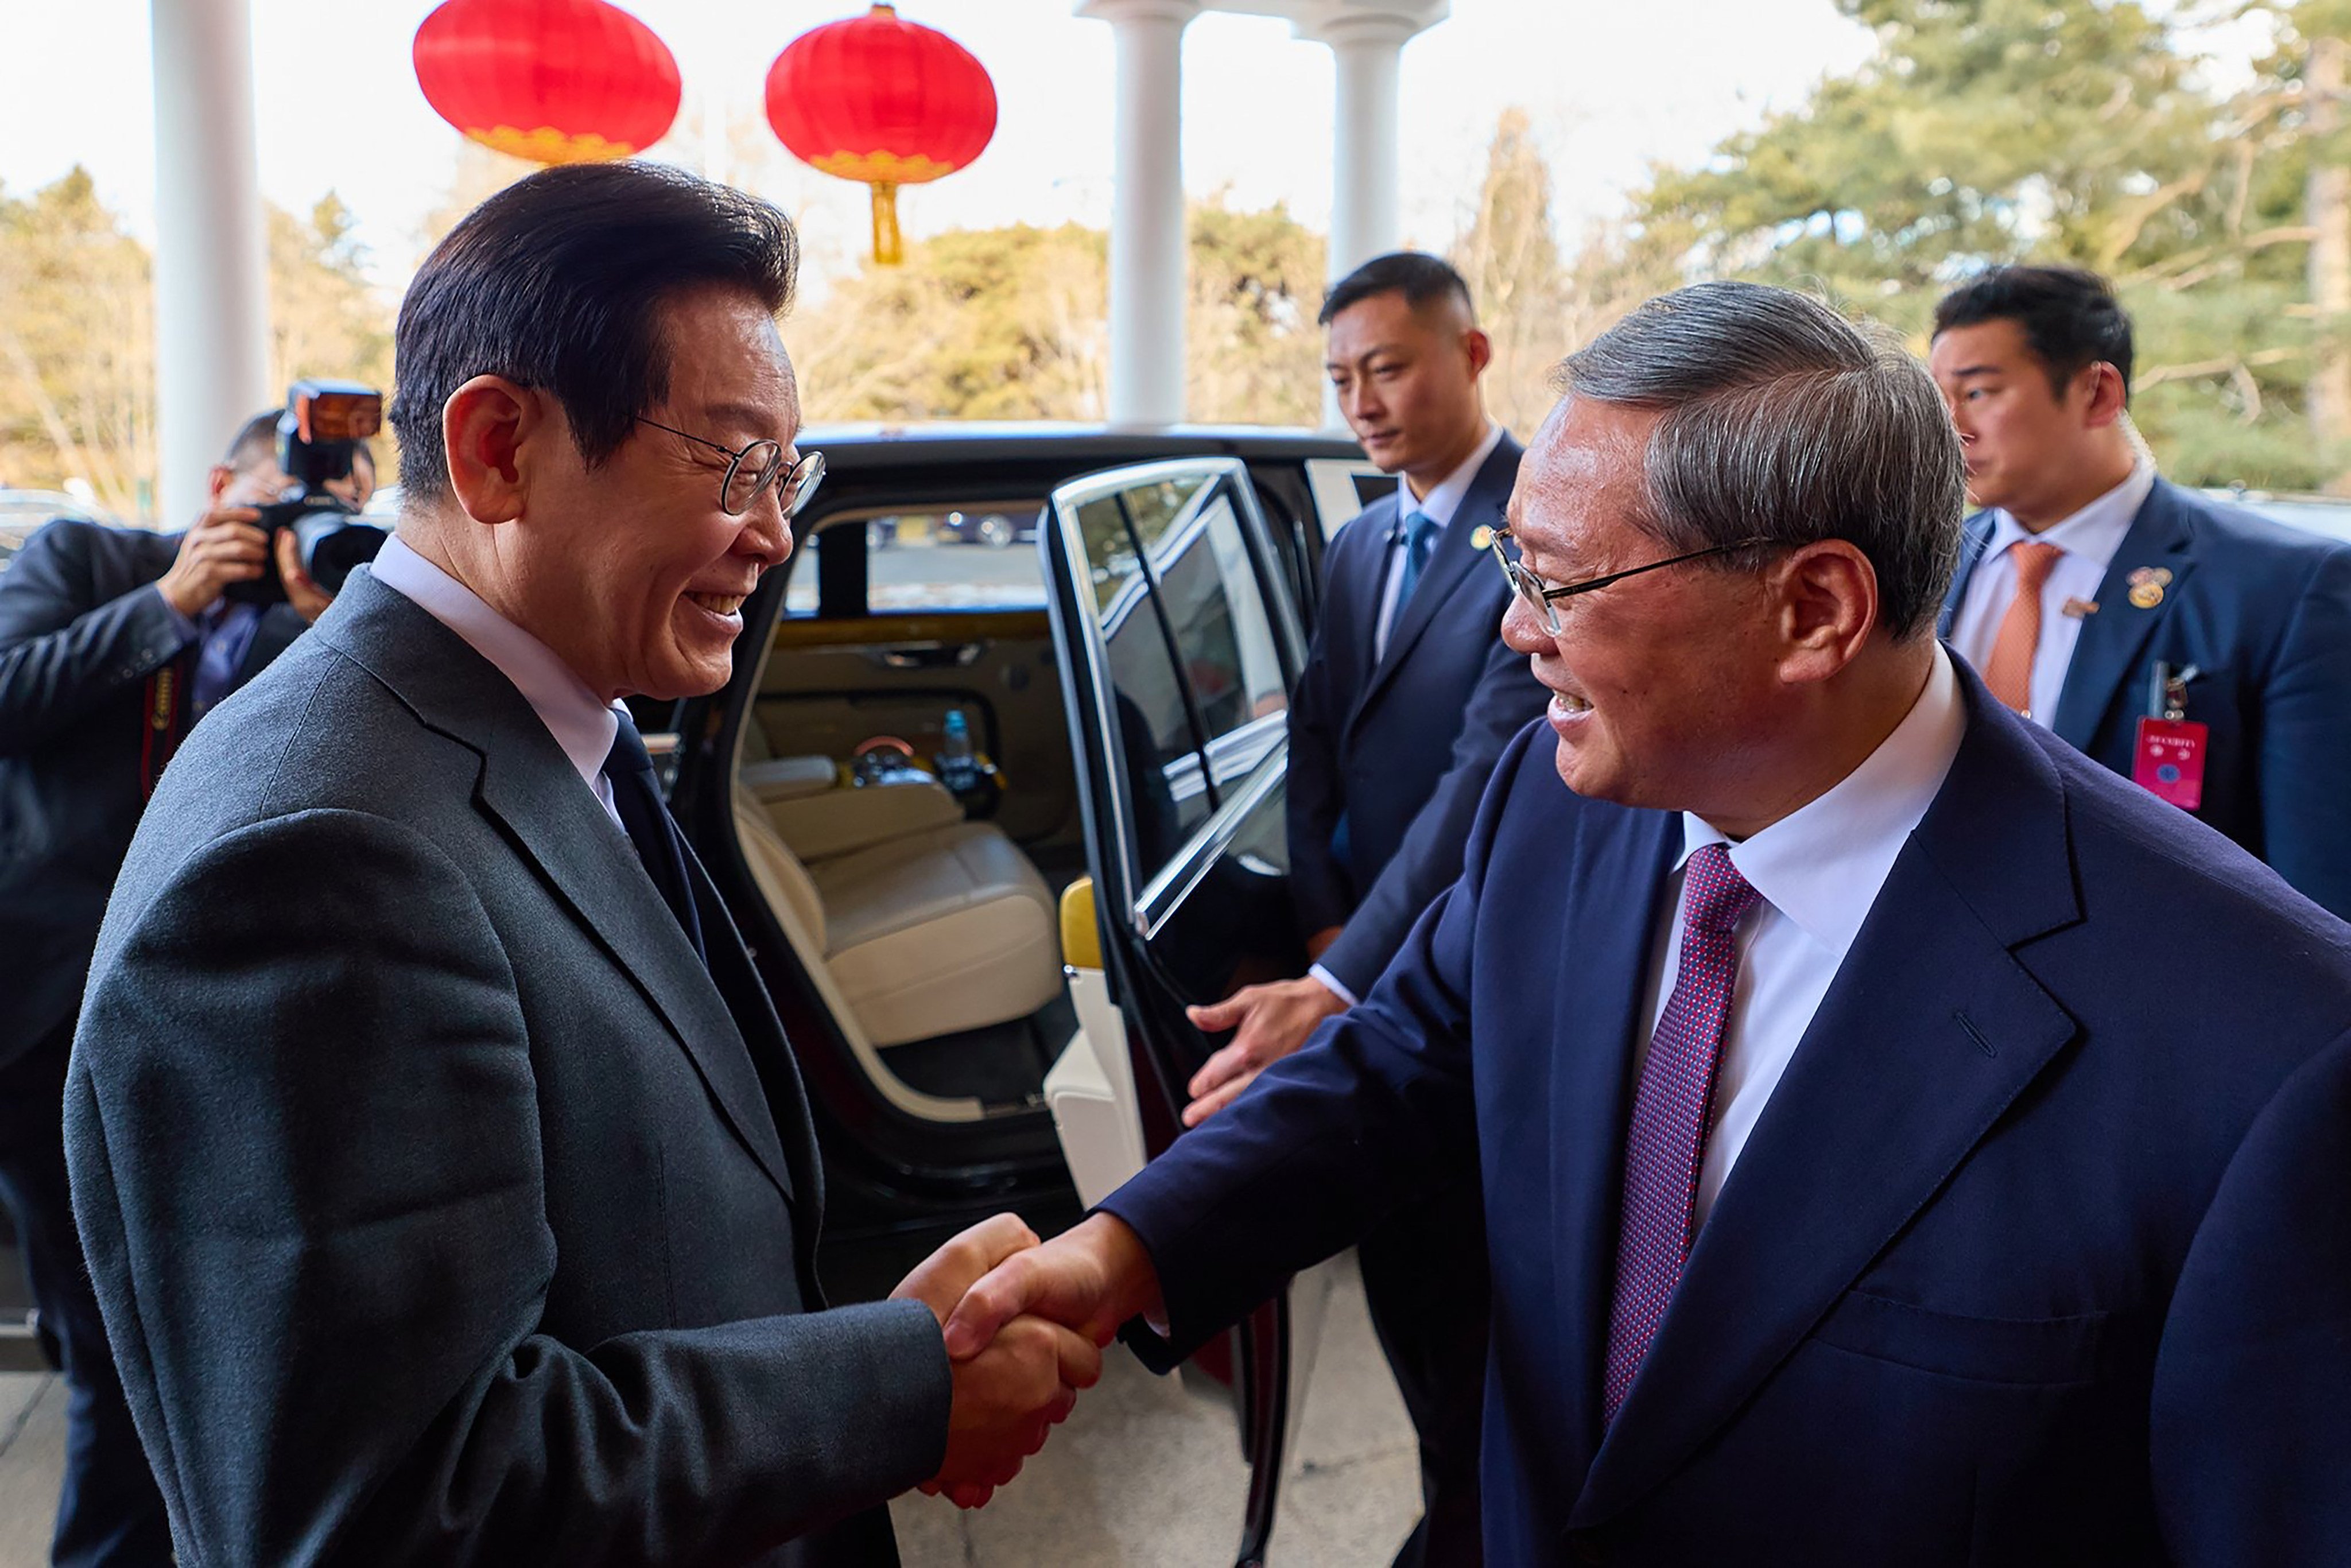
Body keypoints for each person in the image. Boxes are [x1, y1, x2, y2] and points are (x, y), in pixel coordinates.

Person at [941, 281, 2351, 1563]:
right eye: (1511, 565)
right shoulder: (1555, 797)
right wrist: (1121, 1254)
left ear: (1814, 609)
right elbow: (1401, 1057)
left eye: (1557, 582)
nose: (1515, 631)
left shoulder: (2265, 1051)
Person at [64, 162, 1094, 1566]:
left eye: (789, 475)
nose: (773, 534)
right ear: (499, 449)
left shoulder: (544, 717)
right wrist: (900, 1390)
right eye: (735, 464)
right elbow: (401, 1507)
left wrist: (872, 1340)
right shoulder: (322, 862)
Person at [1182, 253, 1543, 1567]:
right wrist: (1327, 924)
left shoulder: (1537, 528)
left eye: (1387, 368)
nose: (1363, 403)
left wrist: (1344, 979)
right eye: (1340, 378)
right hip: (1366, 944)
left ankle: (1476, 1516)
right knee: (1402, 1273)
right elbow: (1315, 743)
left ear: (1472, 353)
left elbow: (1480, 779)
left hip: (1478, 964)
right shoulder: (1355, 540)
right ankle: (1454, 1502)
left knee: (1479, 1306)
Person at [0, 412, 332, 1567]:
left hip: (216, 1027)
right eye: (278, 502)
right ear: (220, 485)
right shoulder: (86, 559)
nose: (294, 527)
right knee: (112, 1341)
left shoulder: (319, 619)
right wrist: (168, 605)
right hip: (48, 1015)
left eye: (324, 511)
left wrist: (330, 626)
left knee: (192, 1335)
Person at [1930, 265, 2351, 918]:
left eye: (1978, 391)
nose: (1950, 424)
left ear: (2097, 393)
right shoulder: (1924, 563)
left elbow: (2318, 899)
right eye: (1937, 398)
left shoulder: (2282, 587)